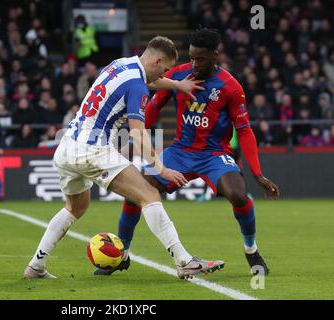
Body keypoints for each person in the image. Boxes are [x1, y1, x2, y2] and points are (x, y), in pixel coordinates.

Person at [24, 36, 224, 280]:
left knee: (76, 207)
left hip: (67, 146)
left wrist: (177, 86)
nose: (165, 74)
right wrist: (161, 169)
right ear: (158, 60)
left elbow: (150, 81)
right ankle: (184, 261)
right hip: (93, 149)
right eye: (165, 69)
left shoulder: (121, 64)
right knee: (149, 195)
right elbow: (138, 133)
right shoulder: (138, 85)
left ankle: (36, 266)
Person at [97, 28, 280, 277]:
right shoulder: (178, 75)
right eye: (192, 57)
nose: (194, 64)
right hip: (180, 152)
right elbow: (153, 106)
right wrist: (136, 136)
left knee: (238, 195)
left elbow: (245, 130)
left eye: (201, 59)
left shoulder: (231, 87)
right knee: (136, 192)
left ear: (215, 55)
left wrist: (258, 174)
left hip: (214, 155)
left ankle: (251, 250)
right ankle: (122, 255)